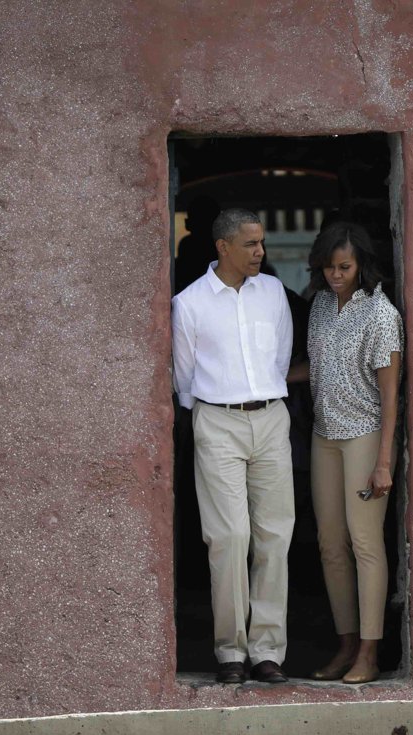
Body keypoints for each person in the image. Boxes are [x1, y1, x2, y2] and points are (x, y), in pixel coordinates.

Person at [171, 208, 295, 684]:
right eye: (250, 244)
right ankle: (230, 652)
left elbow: (280, 358)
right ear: (222, 247)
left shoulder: (274, 294)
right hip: (217, 420)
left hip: (270, 419)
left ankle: (268, 651)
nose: (260, 252)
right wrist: (205, 417)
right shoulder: (191, 303)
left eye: (261, 243)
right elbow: (184, 377)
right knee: (229, 537)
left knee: (274, 536)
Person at [303, 222, 403, 684]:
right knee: (330, 546)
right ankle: (345, 645)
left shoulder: (382, 315)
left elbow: (390, 395)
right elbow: (315, 368)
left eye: (344, 267)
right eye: (328, 268)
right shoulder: (321, 306)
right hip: (324, 437)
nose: (335, 276)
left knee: (365, 544)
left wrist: (384, 462)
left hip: (365, 436)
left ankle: (370, 651)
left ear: (361, 264)